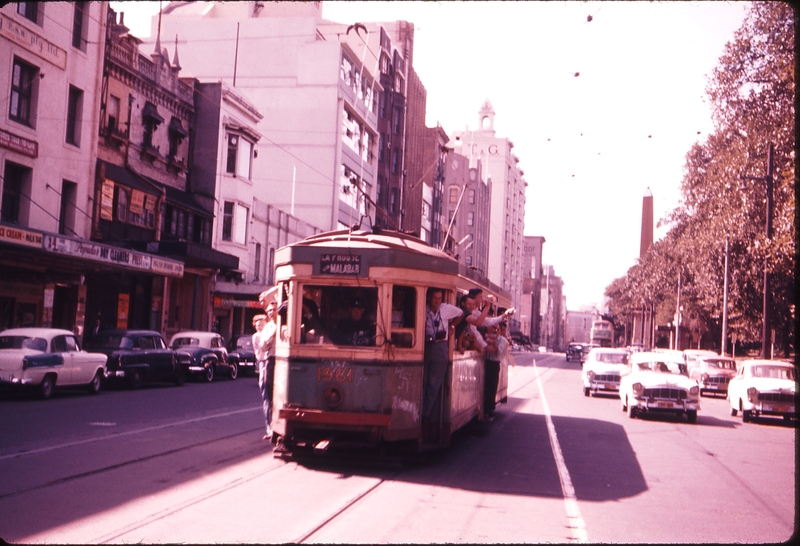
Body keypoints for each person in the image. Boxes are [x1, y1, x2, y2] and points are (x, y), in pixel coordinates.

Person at [422, 288, 464, 418]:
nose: (437, 301)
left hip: (440, 347)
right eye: (434, 298)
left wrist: (452, 327)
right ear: (429, 298)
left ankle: (425, 414)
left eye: (439, 299)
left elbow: (461, 313)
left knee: (434, 384)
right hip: (425, 346)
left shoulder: (445, 308)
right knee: (422, 380)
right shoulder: (423, 308)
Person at [253, 299, 278, 440]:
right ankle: (270, 427)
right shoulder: (269, 327)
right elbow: (262, 346)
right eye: (269, 310)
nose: (271, 312)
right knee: (267, 394)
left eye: (274, 309)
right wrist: (272, 335)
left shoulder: (284, 323)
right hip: (271, 360)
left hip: (283, 359)